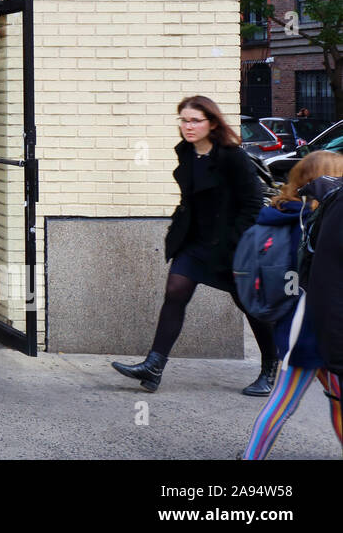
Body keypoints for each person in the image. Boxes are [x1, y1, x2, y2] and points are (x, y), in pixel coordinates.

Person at [111, 95, 280, 394]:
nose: (188, 126)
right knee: (175, 292)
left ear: (211, 123)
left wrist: (237, 242)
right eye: (184, 120)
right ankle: (154, 366)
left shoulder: (232, 156)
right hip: (195, 241)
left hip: (230, 245)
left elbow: (253, 203)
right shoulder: (187, 152)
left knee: (248, 305)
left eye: (195, 121)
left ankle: (270, 366)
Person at [242, 151, 343, 459]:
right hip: (315, 327)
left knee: (290, 402)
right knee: (285, 403)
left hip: (298, 324)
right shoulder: (314, 219)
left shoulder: (284, 215)